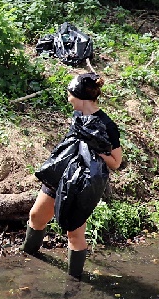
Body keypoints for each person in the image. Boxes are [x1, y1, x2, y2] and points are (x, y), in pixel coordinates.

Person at [22, 73, 122, 279]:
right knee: (36, 216)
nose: (68, 99)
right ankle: (27, 262)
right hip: (61, 173)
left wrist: (98, 149)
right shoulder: (78, 115)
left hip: (81, 183)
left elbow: (116, 162)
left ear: (79, 96)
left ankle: (74, 282)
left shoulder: (107, 124)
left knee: (74, 234)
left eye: (69, 95)